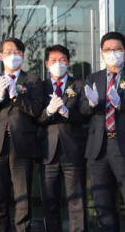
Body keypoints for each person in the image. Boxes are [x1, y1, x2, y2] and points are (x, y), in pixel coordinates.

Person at [0, 37, 43, 232]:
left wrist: (16, 96)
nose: (12, 56)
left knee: (22, 199)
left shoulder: (32, 80)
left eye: (16, 52)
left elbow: (35, 110)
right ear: (1, 56)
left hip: (22, 144)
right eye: (7, 52)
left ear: (23, 55)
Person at [80, 32, 125, 232]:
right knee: (103, 205)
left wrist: (122, 104)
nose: (112, 53)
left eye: (117, 49)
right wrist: (92, 104)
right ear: (102, 54)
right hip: (98, 149)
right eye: (108, 50)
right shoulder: (93, 78)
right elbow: (82, 109)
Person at [38, 45, 89, 232]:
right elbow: (35, 117)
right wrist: (48, 112)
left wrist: (67, 113)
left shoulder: (79, 85)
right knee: (50, 202)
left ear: (68, 62)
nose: (57, 64)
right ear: (46, 64)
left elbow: (85, 116)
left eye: (62, 60)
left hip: (73, 150)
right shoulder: (40, 87)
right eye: (53, 60)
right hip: (48, 152)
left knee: (77, 202)